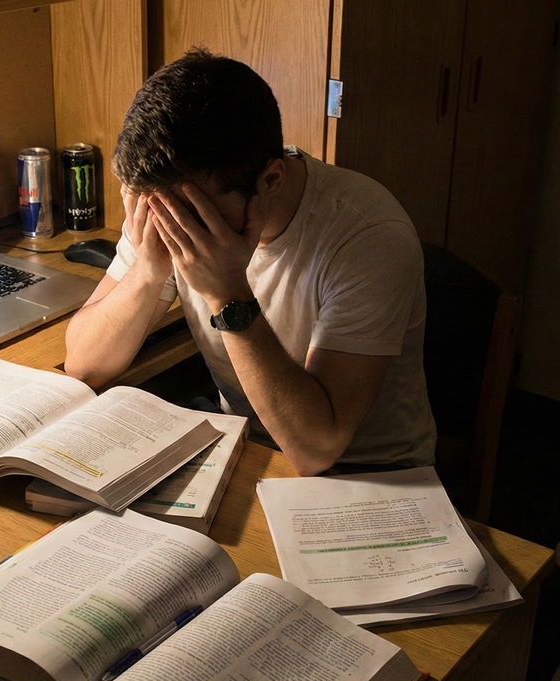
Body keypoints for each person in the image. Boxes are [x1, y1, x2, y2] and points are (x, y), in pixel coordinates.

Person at [63, 49, 434, 476]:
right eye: (158, 210)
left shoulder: (367, 234)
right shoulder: (165, 199)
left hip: (371, 475)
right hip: (246, 449)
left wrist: (227, 296)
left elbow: (317, 448)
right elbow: (84, 365)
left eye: (194, 215)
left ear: (270, 180)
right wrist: (148, 270)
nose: (173, 227)